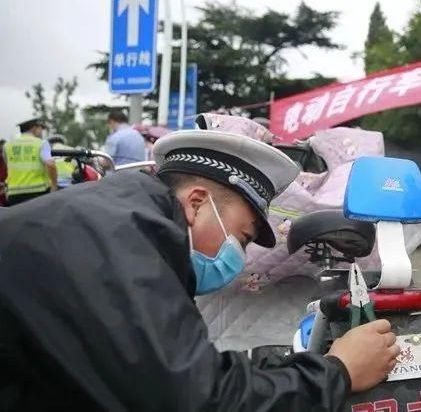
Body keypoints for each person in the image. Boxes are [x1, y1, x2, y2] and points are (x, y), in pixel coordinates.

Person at [0, 129, 400, 410]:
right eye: (241, 237)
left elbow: (183, 366)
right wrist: (338, 372)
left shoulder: (119, 217)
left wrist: (293, 367)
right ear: (195, 203)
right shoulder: (122, 241)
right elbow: (197, 399)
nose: (237, 256)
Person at [2, 118, 58, 206]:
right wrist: (54, 185)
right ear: (34, 128)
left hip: (14, 194)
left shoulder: (7, 145)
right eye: (41, 128)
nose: (41, 132)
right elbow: (51, 164)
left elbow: (7, 165)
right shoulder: (41, 143)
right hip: (38, 192)